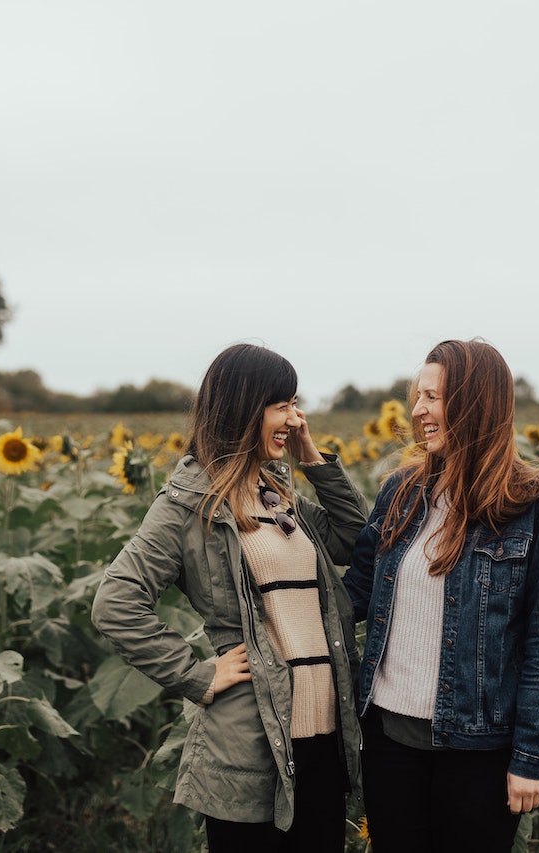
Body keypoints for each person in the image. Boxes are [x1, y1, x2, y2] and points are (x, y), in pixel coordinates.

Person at [91, 342, 368, 853]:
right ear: (243, 407)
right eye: (281, 404)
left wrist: (312, 459)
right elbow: (116, 602)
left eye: (294, 402)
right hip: (252, 743)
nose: (295, 417)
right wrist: (195, 674)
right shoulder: (187, 503)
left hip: (323, 736)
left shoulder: (275, 493)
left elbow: (356, 538)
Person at [341, 338, 539, 852]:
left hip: (478, 751)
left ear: (475, 402)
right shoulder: (402, 492)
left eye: (432, 397)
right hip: (388, 742)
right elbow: (354, 595)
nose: (417, 410)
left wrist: (533, 758)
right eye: (417, 396)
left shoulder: (538, 508)